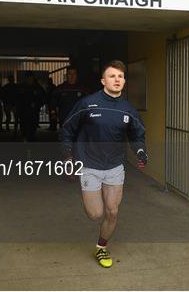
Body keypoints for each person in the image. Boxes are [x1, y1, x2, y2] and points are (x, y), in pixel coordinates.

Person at [60, 60, 148, 268]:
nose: (117, 80)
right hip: (89, 165)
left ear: (124, 81)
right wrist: (68, 155)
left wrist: (141, 151)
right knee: (95, 214)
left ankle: (101, 247)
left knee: (112, 212)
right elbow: (67, 129)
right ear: (103, 81)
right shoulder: (88, 103)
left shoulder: (128, 109)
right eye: (112, 76)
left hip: (115, 166)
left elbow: (137, 134)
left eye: (120, 76)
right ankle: (92, 199)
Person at [15, 71, 46, 141]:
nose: (29, 79)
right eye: (28, 78)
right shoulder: (21, 86)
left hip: (34, 111)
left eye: (30, 78)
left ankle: (32, 137)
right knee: (23, 125)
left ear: (33, 78)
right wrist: (16, 107)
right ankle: (24, 137)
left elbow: (44, 97)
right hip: (23, 111)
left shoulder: (37, 87)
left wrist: (37, 104)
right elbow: (16, 98)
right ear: (25, 78)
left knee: (33, 125)